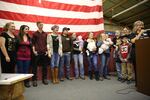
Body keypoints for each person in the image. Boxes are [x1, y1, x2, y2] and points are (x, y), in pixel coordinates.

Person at [128, 20, 147, 85]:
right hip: (135, 53)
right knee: (137, 69)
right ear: (135, 27)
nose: (140, 26)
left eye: (141, 25)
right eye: (138, 25)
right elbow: (133, 41)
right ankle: (138, 83)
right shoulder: (132, 34)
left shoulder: (146, 33)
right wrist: (140, 33)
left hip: (145, 53)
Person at [32, 21, 48, 87]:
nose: (41, 25)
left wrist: (47, 50)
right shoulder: (34, 34)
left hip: (44, 52)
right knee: (34, 67)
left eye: (42, 24)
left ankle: (44, 79)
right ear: (37, 25)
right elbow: (33, 43)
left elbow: (47, 43)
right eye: (40, 25)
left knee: (45, 66)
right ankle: (34, 80)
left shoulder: (45, 34)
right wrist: (34, 51)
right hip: (37, 52)